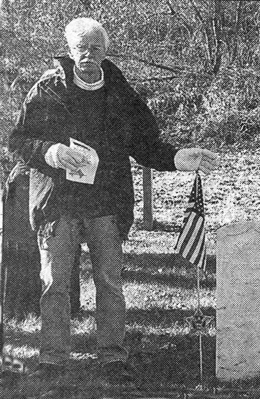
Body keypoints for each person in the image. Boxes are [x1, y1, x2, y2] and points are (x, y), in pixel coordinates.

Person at [9, 17, 219, 382]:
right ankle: (53, 359)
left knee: (109, 281)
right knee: (55, 283)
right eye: (81, 49)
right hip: (58, 201)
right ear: (69, 50)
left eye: (95, 48)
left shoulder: (121, 93)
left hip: (106, 200)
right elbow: (19, 141)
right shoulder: (46, 89)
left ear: (106, 52)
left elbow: (146, 143)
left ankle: (112, 357)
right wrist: (51, 152)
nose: (88, 56)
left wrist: (177, 158)